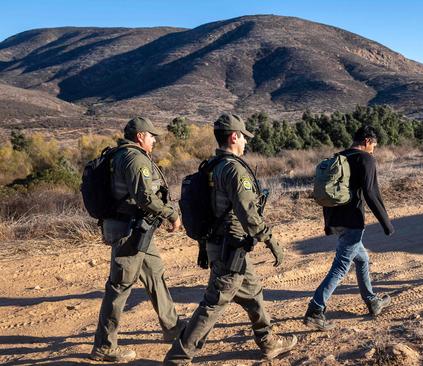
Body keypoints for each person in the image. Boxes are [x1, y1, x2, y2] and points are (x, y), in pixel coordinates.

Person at [164, 113, 297, 365]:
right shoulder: (234, 169)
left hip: (222, 244)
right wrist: (271, 241)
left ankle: (268, 342)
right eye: (244, 137)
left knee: (253, 293)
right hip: (230, 246)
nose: (246, 142)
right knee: (215, 302)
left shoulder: (212, 166)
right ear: (233, 136)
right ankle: (178, 357)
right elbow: (248, 214)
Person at [90, 117, 185, 363]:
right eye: (152, 135)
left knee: (154, 272)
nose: (154, 140)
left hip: (137, 230)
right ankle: (104, 346)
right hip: (127, 231)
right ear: (141, 136)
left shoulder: (122, 155)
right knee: (120, 286)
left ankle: (173, 327)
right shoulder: (133, 158)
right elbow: (145, 198)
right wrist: (172, 215)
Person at [304, 125, 395, 330]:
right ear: (367, 141)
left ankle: (372, 301)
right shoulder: (366, 159)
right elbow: (371, 193)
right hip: (352, 220)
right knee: (341, 266)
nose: (374, 150)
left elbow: (329, 191)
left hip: (335, 218)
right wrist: (386, 223)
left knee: (362, 259)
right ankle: (315, 310)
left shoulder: (340, 157)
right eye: (374, 145)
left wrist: (329, 223)